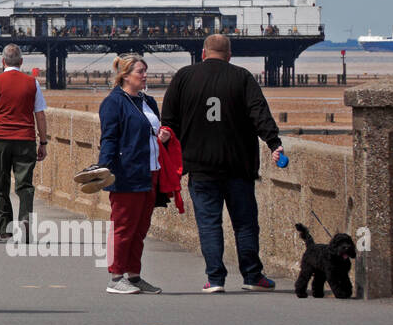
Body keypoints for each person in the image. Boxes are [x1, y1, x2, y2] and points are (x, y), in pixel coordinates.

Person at [160, 32, 283, 293]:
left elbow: (169, 122)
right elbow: (259, 113)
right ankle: (252, 276)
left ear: (203, 53)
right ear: (229, 55)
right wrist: (274, 143)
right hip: (238, 166)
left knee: (209, 224)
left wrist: (172, 150)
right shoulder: (242, 77)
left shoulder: (183, 77)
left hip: (200, 167)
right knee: (245, 223)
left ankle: (215, 279)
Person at [97, 55, 168, 294]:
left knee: (140, 228)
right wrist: (103, 168)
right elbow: (108, 138)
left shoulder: (148, 101)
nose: (145, 75)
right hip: (126, 173)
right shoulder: (114, 102)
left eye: (146, 71)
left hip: (151, 172)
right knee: (123, 226)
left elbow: (152, 131)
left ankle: (134, 276)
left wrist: (163, 137)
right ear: (125, 75)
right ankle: (115, 277)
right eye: (140, 71)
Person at [0, 44, 48, 242]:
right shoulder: (32, 83)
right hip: (25, 140)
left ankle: (5, 230)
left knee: (1, 184)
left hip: (1, 140)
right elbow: (40, 115)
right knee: (25, 186)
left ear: (2, 62)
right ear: (21, 62)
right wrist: (43, 142)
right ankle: (25, 228)